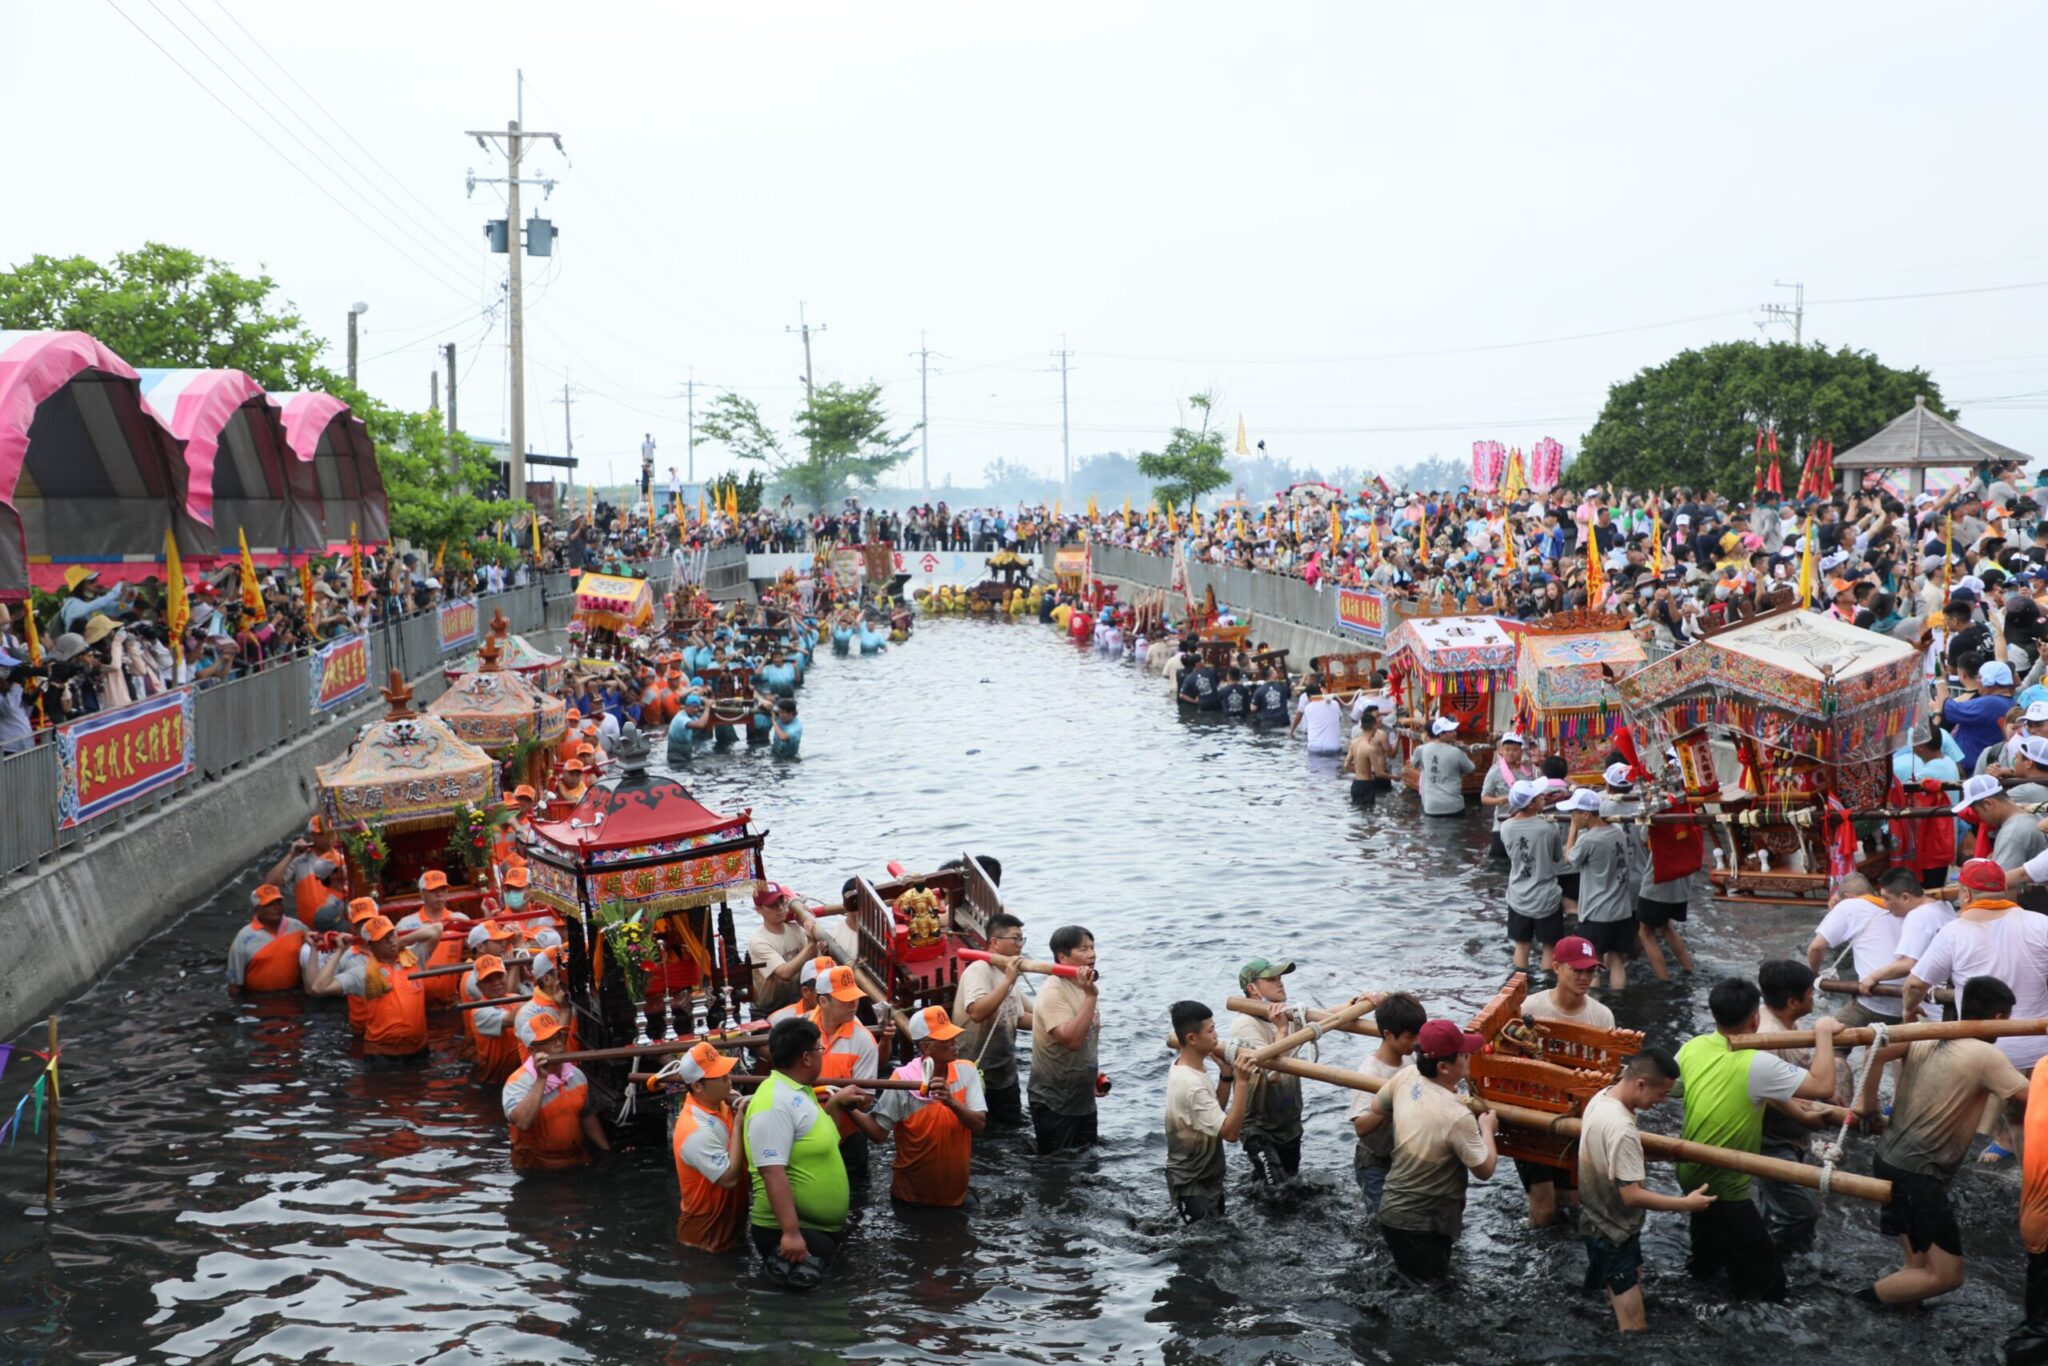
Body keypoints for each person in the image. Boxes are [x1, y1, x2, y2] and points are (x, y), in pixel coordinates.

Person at [1851, 975, 2031, 1305]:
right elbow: (2035, 1099)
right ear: (1999, 1018)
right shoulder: (1986, 1055)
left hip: (1889, 1159)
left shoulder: (1924, 1032)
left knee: (1917, 1265)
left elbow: (1875, 1050)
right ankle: (1858, 1303)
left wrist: (1867, 1103)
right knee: (1947, 1276)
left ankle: (1898, 1310)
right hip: (1919, 1174)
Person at [1675, 978, 1843, 1301]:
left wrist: (1796, 1112)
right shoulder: (1756, 1062)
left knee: (1707, 1263)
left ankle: (1700, 1295)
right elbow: (1823, 1086)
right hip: (1725, 1182)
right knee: (1770, 1285)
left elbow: (1683, 1087)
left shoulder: (1692, 1048)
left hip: (1689, 1171)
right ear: (1755, 1019)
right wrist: (1823, 1032)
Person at [1577, 1050, 1716, 1334]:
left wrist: (1661, 1155)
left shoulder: (1602, 1098)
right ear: (1640, 1084)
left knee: (1625, 1288)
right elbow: (1632, 1196)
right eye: (1661, 1093)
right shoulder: (1623, 1129)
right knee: (1634, 1327)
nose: (1663, 1101)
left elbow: (1612, 1155)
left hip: (1599, 1219)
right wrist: (1685, 1203)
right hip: (1612, 1230)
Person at [1356, 1017, 1498, 1280]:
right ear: (1443, 1067)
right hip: (1421, 1223)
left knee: (1416, 1284)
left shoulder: (1407, 1075)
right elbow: (1485, 1170)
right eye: (1463, 1054)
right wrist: (1487, 1128)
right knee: (1435, 1291)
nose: (1468, 1056)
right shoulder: (1458, 1116)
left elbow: (1376, 1107)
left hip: (1393, 1210)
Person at [745, 1016, 872, 1288]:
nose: (821, 1055)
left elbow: (825, 1142)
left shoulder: (800, 1092)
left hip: (815, 1230)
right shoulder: (773, 1102)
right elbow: (771, 1170)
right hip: (792, 1233)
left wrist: (835, 1104)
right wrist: (790, 1233)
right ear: (806, 1057)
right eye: (819, 1049)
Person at [1750, 960, 1857, 1254]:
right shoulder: (1768, 1036)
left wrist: (1823, 1101)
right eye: (1811, 993)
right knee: (1801, 1213)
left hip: (1789, 1136)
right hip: (1771, 1141)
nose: (1815, 997)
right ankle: (1772, 1262)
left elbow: (1796, 1074)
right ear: (1792, 1001)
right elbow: (1767, 1092)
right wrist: (1805, 1113)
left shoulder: (1783, 1021)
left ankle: (1776, 1253)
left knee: (1775, 1207)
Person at [1513, 936, 1615, 1225]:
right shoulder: (1530, 1007)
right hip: (1534, 1115)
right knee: (1545, 1209)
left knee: (1572, 1201)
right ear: (1556, 967)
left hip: (1575, 1115)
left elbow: (1607, 1070)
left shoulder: (1601, 1016)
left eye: (1590, 971)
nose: (1585, 977)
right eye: (1577, 970)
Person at [868, 1005, 989, 1207]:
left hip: (956, 1195)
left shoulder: (967, 1071)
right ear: (926, 1047)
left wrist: (951, 1102)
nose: (955, 1043)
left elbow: (979, 1125)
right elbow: (878, 1133)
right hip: (910, 1197)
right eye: (947, 1040)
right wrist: (848, 1107)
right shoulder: (903, 1080)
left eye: (953, 1037)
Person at [1165, 1000, 1253, 1221]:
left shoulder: (1190, 1066)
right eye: (1211, 1030)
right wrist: (1242, 1082)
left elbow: (1213, 1115)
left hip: (1209, 1177)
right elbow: (1230, 1134)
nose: (1216, 1035)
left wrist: (1226, 1076)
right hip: (1191, 1183)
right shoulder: (1190, 1085)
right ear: (1192, 1039)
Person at [312, 913, 439, 1060]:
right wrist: (339, 951)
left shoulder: (413, 959)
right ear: (371, 947)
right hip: (382, 1057)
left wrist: (401, 941)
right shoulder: (363, 973)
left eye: (392, 934)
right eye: (383, 938)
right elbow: (319, 987)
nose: (390, 940)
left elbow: (436, 929)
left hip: (419, 1051)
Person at [1347, 992, 1426, 1216]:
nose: (1417, 1042)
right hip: (1375, 1160)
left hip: (1402, 1156)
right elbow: (1360, 1127)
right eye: (1410, 1036)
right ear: (1388, 1034)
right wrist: (1389, 1100)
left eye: (1419, 1034)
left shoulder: (1410, 1057)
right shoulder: (1370, 1071)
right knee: (1384, 1219)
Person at [1228, 957, 1305, 1185]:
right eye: (1272, 980)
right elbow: (1273, 1073)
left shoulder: (1285, 1015)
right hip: (1259, 1127)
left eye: (1280, 978)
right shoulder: (1245, 1025)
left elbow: (1327, 1018)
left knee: (1290, 1184)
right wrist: (1281, 1031)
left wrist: (1355, 1002)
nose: (1280, 983)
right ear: (1253, 989)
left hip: (1288, 1121)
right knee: (1278, 1189)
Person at [951, 912, 1033, 1125]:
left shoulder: (1007, 972)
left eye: (1022, 939)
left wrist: (1059, 1022)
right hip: (975, 1073)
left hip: (1005, 1073)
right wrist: (1008, 980)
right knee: (980, 1132)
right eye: (1015, 939)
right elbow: (977, 1013)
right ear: (994, 942)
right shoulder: (979, 970)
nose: (1020, 945)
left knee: (1011, 1129)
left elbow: (1021, 1017)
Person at [501, 1013, 609, 1169]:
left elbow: (586, 1115)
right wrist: (541, 1079)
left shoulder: (576, 1075)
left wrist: (606, 1151)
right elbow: (522, 1122)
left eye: (559, 1036)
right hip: (536, 1168)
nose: (558, 1043)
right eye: (549, 1040)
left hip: (574, 1159)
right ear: (532, 1050)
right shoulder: (517, 1083)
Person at [1028, 925, 1101, 1155]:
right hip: (1054, 1101)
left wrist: (1092, 1074)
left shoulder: (1082, 985)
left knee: (1087, 1162)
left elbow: (1088, 1037)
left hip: (1082, 1098)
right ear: (1062, 957)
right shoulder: (1054, 991)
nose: (1092, 954)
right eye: (1083, 949)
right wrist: (1091, 996)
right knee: (1056, 1167)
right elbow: (1072, 1040)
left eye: (1092, 948)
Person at [670, 1040, 748, 1253]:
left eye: (727, 1073)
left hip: (730, 1226)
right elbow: (729, 1179)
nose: (729, 1079)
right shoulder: (695, 1131)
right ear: (697, 1086)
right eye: (720, 1077)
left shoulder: (720, 1103)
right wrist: (739, 1124)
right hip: (706, 1238)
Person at [1856, 868, 1958, 1022]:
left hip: (1934, 1007)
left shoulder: (1917, 916)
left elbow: (1908, 964)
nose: (1885, 904)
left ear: (1905, 897)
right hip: (1953, 997)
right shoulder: (1944, 906)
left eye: (1887, 899)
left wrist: (1872, 977)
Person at [809, 965, 880, 1169]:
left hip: (846, 1137)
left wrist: (838, 1098)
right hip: (805, 1130)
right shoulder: (801, 1029)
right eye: (845, 999)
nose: (854, 1004)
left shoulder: (864, 1040)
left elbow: (866, 1099)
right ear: (823, 1001)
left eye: (855, 998)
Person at [1562, 789, 1634, 988]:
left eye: (1574, 813)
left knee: (1591, 965)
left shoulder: (1588, 839)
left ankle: (1594, 1002)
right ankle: (1619, 1001)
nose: (1572, 817)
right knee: (1617, 961)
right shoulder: (1617, 831)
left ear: (1585, 814)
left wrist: (1573, 830)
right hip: (1621, 911)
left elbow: (1569, 858)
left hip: (1596, 912)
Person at [1500, 779, 1564, 971]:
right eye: (1539, 796)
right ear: (1530, 804)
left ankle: (1520, 982)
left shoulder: (1506, 827)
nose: (1543, 798)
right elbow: (1557, 857)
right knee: (1549, 947)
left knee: (1522, 945)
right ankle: (1547, 984)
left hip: (1518, 896)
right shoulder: (1548, 827)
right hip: (1546, 897)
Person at [748, 884, 820, 1014]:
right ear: (759, 909)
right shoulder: (759, 941)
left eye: (782, 902)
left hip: (797, 1004)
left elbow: (812, 960)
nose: (781, 908)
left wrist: (809, 929)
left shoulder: (795, 929)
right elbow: (785, 973)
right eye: (773, 905)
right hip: (767, 1010)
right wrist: (811, 944)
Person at [226, 885, 312, 993]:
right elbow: (234, 984)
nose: (276, 907)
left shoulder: (298, 927)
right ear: (257, 909)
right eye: (269, 904)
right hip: (258, 999)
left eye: (278, 903)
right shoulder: (243, 938)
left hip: (295, 995)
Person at [467, 955, 525, 1084]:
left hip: (521, 1075)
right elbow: (512, 1019)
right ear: (479, 986)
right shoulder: (479, 1011)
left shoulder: (516, 998)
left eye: (499, 976)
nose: (496, 982)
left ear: (506, 976)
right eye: (488, 980)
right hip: (495, 1082)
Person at [1479, 732, 1532, 858]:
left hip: (1525, 824)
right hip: (1502, 824)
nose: (1510, 753)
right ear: (1501, 751)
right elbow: (1484, 798)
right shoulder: (1495, 771)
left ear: (1521, 751)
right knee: (1499, 860)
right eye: (1507, 750)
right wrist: (1498, 800)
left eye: (1515, 750)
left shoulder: (1528, 770)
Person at [1415, 717, 1474, 817]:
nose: (1455, 733)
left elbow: (1415, 764)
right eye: (1450, 731)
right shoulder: (1456, 752)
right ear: (1441, 734)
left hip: (1431, 806)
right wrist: (1463, 750)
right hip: (1452, 805)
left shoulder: (1422, 749)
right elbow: (1471, 769)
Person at [1345, 707, 1393, 806]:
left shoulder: (1354, 743)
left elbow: (1346, 766)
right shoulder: (1370, 748)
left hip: (1355, 785)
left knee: (1357, 811)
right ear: (1375, 727)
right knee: (1369, 813)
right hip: (1366, 786)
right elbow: (1379, 773)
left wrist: (1361, 771)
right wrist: (1395, 777)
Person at [1289, 679, 1344, 755]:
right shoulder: (1335, 704)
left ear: (1308, 697)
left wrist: (1291, 732)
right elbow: (1339, 719)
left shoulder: (1308, 708)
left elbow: (1301, 717)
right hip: (1334, 748)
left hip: (1315, 748)